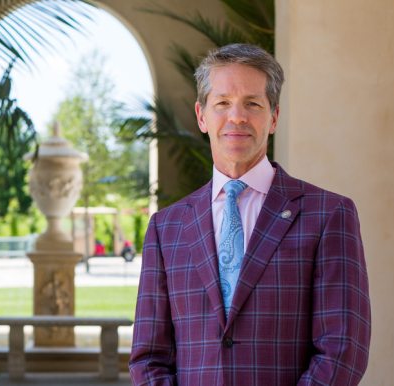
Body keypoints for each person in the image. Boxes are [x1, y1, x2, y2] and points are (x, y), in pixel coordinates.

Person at [129, 43, 371, 385]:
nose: (237, 117)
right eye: (223, 103)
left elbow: (342, 349)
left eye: (252, 104)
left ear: (273, 117)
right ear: (201, 115)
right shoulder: (166, 228)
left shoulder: (329, 215)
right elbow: (148, 357)